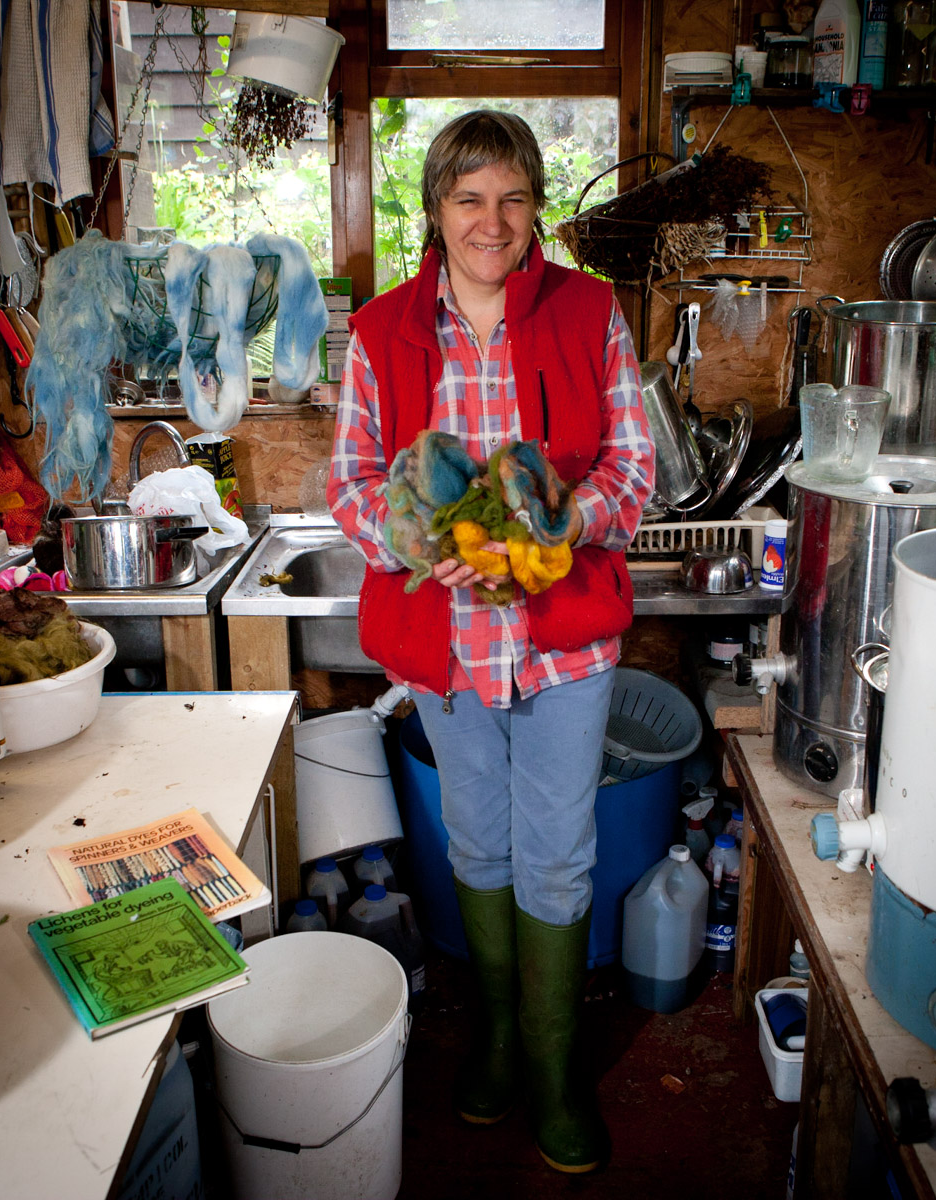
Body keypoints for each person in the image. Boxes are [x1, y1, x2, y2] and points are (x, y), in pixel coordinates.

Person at [326, 110, 654, 1174]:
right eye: (469, 197)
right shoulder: (380, 332)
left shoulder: (591, 310)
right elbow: (352, 482)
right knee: (477, 845)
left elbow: (633, 474)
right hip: (446, 641)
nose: (491, 219)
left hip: (562, 643)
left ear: (534, 211)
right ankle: (501, 1038)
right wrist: (428, 542)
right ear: (435, 210)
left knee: (557, 856)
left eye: (512, 197)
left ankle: (556, 1070)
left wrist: (550, 525)